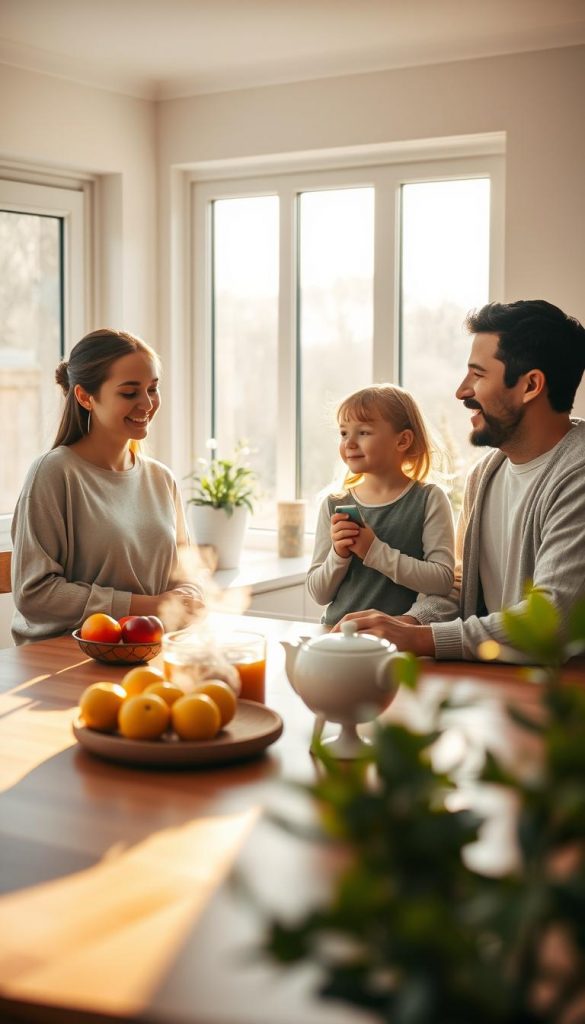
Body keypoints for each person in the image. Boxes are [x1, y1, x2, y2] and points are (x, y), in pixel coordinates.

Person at [333, 300, 585, 662]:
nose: (462, 391)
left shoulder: (577, 475)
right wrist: (407, 623)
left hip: (563, 701)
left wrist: (420, 640)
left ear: (530, 385)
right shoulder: (484, 475)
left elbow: (550, 620)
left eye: (478, 375)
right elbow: (458, 584)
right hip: (496, 683)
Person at [11, 328, 204, 644]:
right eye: (129, 393)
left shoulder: (161, 479)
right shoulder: (54, 473)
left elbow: (190, 576)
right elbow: (34, 594)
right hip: (66, 661)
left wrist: (189, 596)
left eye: (152, 389)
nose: (146, 404)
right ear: (85, 397)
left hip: (151, 654)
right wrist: (148, 606)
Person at [307, 384, 455, 626]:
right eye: (344, 433)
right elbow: (318, 594)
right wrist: (338, 555)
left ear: (403, 440)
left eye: (363, 432)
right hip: (336, 636)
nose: (349, 443)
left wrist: (373, 551)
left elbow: (441, 580)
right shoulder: (333, 504)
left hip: (398, 640)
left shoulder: (429, 499)